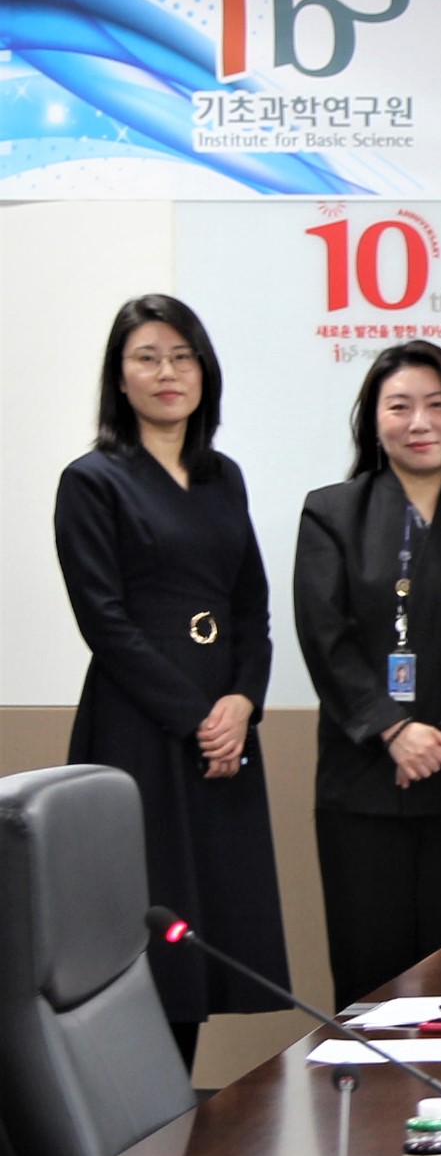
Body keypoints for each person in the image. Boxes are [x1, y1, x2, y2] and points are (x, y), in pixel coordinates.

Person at [54, 295, 289, 1067]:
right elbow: (105, 623)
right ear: (119, 379)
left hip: (222, 734)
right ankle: (128, 1138)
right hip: (138, 733)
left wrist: (241, 704)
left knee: (201, 938)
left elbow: (252, 609)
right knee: (140, 939)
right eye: (147, 357)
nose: (166, 373)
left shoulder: (224, 477)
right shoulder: (92, 481)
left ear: (204, 372)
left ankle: (173, 1133)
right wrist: (198, 717)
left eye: (182, 356)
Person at [294, 342, 441, 1010]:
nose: (419, 422)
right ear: (374, 420)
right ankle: (367, 1117)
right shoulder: (332, 511)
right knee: (369, 977)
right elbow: (323, 636)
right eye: (400, 406)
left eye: (436, 405)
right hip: (362, 785)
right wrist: (392, 728)